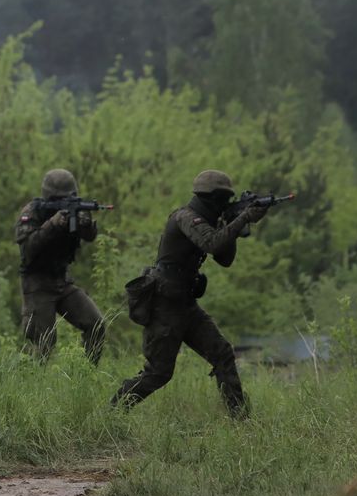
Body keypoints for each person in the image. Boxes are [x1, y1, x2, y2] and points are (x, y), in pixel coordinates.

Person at [113, 170, 269, 418]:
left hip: (185, 304)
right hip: (164, 305)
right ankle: (112, 412)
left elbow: (224, 258)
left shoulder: (209, 222)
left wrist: (235, 222)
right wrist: (241, 219)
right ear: (210, 197)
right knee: (158, 374)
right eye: (222, 199)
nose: (224, 204)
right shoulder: (185, 217)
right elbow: (212, 244)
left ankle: (241, 421)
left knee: (223, 354)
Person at [15, 169, 106, 363]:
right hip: (37, 284)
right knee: (44, 345)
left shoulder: (75, 211)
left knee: (96, 324)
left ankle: (86, 376)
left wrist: (85, 224)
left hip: (62, 281)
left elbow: (89, 237)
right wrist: (53, 224)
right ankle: (26, 387)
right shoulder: (31, 212)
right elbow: (28, 249)